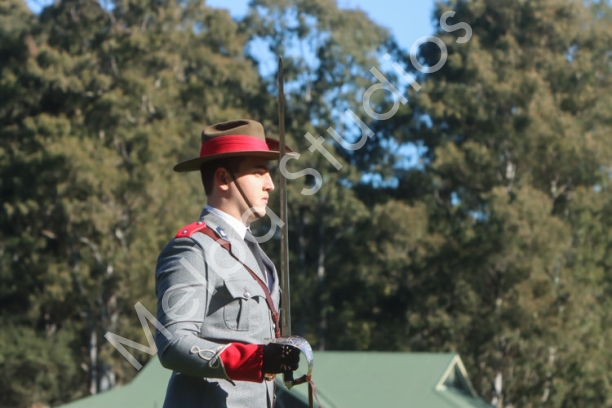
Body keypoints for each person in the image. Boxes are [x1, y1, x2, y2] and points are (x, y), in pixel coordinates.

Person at [154, 119, 300, 408]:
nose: (270, 184)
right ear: (223, 178)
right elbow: (172, 344)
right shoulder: (193, 249)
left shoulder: (254, 252)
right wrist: (255, 359)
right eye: (258, 172)